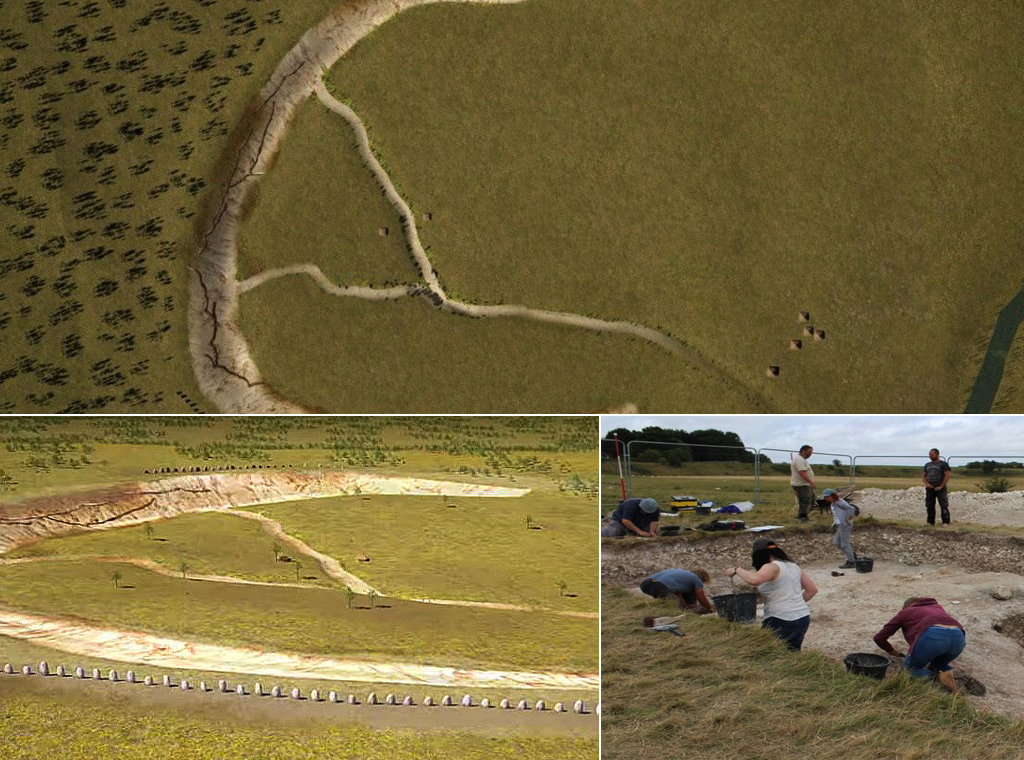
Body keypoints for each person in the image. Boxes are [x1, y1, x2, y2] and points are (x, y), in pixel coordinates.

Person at [727, 538, 817, 651]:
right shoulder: (793, 566)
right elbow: (812, 590)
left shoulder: (771, 566)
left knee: (771, 653)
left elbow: (754, 580)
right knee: (792, 652)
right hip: (802, 617)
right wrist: (794, 604)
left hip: (780, 618)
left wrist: (736, 570)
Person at [873, 597, 965, 691]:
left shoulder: (906, 612)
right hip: (958, 637)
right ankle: (953, 674)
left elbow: (879, 638)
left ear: (907, 606)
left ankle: (937, 677)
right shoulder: (937, 607)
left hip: (933, 636)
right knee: (938, 666)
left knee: (907, 671)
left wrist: (891, 651)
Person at [639, 568, 714, 614]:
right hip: (659, 586)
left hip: (645, 584)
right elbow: (702, 598)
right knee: (679, 611)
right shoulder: (696, 579)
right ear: (703, 578)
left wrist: (686, 605)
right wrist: (709, 609)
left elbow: (676, 592)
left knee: (673, 605)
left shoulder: (682, 575)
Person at [823, 488, 856, 569]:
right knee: (836, 543)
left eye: (828, 497)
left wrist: (848, 518)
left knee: (845, 544)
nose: (826, 499)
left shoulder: (839, 503)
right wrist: (834, 524)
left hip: (845, 525)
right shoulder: (834, 503)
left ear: (833, 496)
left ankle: (852, 562)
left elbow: (852, 509)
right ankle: (851, 554)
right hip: (841, 525)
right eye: (825, 497)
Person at [922, 449, 951, 526]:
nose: (930, 456)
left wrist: (941, 486)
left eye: (932, 454)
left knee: (943, 505)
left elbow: (947, 475)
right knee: (929, 505)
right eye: (929, 454)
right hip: (930, 489)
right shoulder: (927, 465)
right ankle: (930, 522)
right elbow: (924, 476)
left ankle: (945, 522)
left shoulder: (943, 464)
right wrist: (927, 484)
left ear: (937, 454)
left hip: (940, 489)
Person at [790, 445, 816, 522]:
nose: (810, 454)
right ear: (803, 451)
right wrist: (811, 483)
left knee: (811, 499)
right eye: (809, 452)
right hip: (801, 484)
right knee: (806, 500)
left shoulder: (802, 459)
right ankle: (803, 517)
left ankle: (802, 515)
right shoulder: (799, 460)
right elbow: (802, 473)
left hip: (804, 484)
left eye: (811, 453)